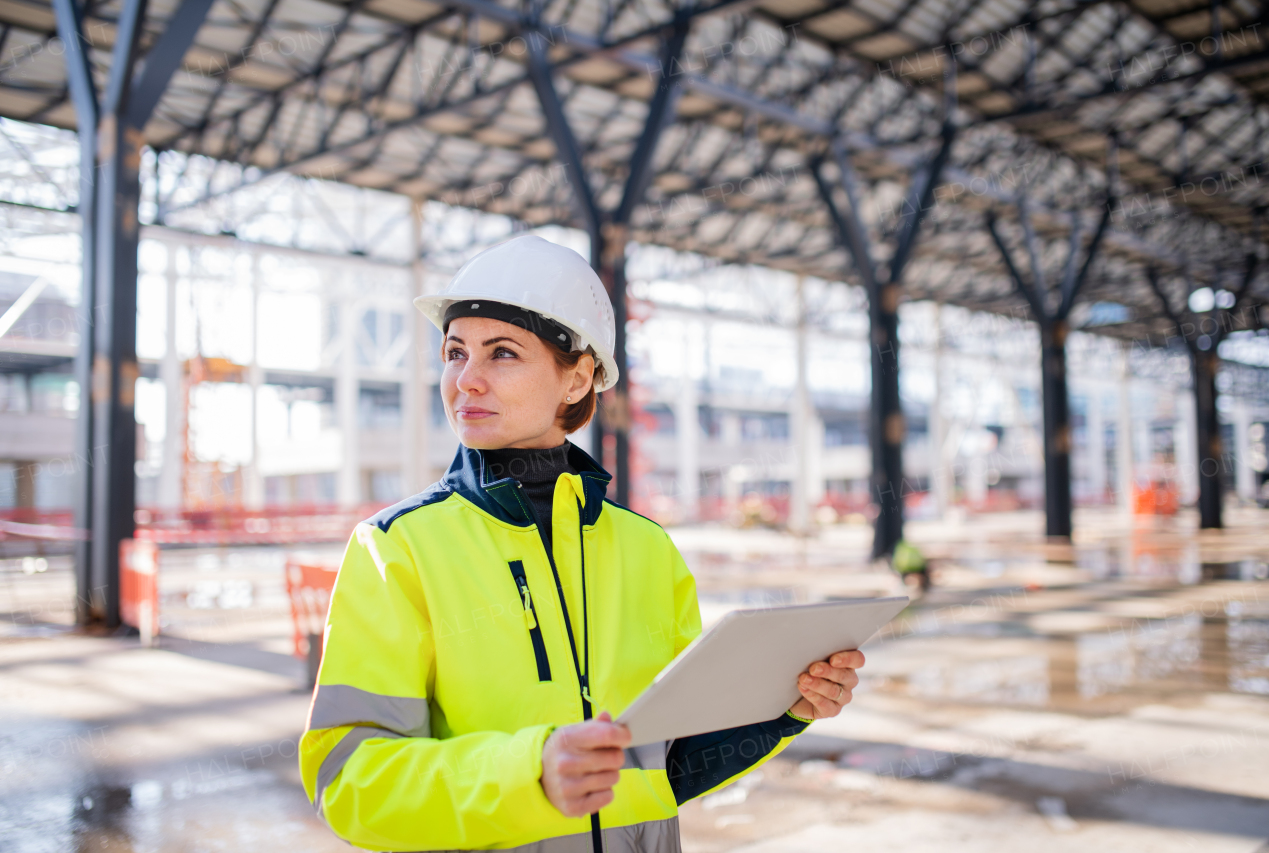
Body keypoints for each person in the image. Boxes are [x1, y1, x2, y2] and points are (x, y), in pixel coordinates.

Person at [299, 235, 867, 853]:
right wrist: (529, 776)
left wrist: (784, 713)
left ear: (580, 377)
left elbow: (662, 771)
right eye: (455, 352)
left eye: (503, 354)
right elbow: (352, 784)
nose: (467, 380)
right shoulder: (396, 550)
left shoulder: (647, 551)